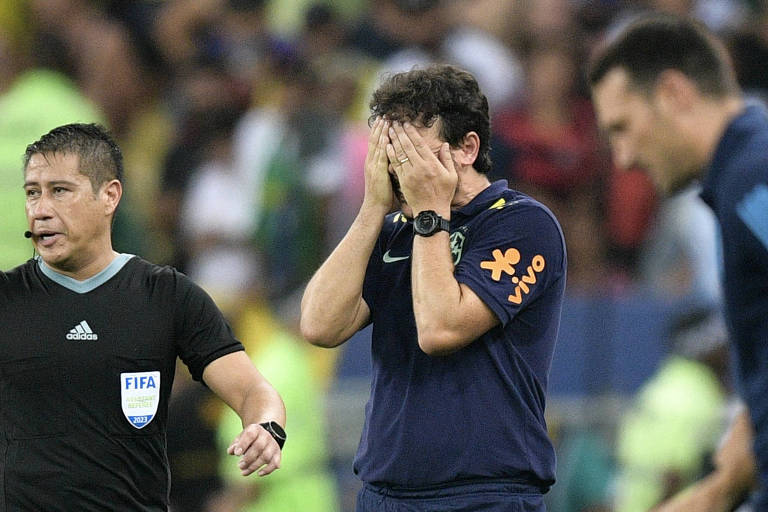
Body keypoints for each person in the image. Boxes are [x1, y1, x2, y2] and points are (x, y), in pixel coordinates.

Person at [301, 64, 567, 511]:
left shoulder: (521, 223)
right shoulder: (392, 230)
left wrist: (429, 215)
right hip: (384, 495)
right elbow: (319, 326)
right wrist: (372, 208)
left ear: (466, 148)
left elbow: (440, 329)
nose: (399, 170)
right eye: (390, 154)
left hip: (483, 497)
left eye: (411, 155)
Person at [0, 123, 286, 510]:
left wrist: (266, 428)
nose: (41, 210)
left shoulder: (167, 296)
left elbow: (254, 391)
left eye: (60, 191)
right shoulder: (7, 299)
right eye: (33, 193)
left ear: (109, 196)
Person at [588, 13, 768, 510]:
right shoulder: (744, 172)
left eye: (622, 127)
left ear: (673, 93)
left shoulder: (752, 176)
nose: (622, 158)